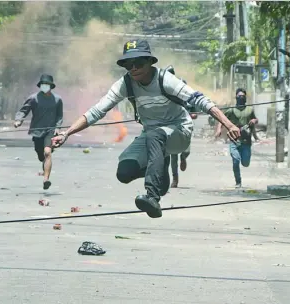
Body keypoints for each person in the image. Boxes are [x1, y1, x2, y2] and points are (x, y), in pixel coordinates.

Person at [51, 39, 240, 218]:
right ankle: (160, 167)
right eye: (128, 64)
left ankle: (153, 198)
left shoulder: (165, 79)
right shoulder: (125, 84)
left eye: (139, 63)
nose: (133, 69)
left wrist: (229, 124)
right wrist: (66, 133)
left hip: (178, 132)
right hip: (152, 136)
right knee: (124, 172)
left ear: (150, 62)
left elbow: (201, 100)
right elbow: (97, 111)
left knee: (156, 135)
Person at [14, 74, 63, 190]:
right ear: (40, 86)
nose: (45, 86)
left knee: (47, 152)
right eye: (43, 84)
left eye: (47, 85)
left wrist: (58, 127)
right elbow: (24, 110)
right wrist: (18, 120)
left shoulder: (57, 100)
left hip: (50, 131)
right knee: (41, 155)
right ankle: (43, 162)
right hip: (37, 131)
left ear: (51, 86)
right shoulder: (33, 98)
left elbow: (59, 115)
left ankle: (46, 179)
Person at [214, 88, 258, 188]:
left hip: (246, 141)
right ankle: (238, 181)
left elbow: (255, 119)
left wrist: (254, 121)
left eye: (242, 96)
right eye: (239, 96)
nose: (241, 98)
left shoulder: (250, 110)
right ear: (236, 98)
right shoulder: (231, 110)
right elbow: (221, 119)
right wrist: (219, 129)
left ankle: (244, 163)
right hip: (234, 140)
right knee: (235, 160)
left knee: (245, 163)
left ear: (245, 98)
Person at [163, 66, 197, 188]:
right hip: (171, 125)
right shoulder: (163, 91)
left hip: (184, 125)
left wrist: (193, 113)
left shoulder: (180, 87)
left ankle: (183, 157)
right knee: (173, 154)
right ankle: (175, 178)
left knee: (186, 151)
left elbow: (192, 105)